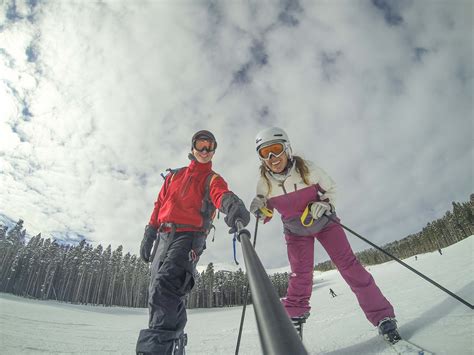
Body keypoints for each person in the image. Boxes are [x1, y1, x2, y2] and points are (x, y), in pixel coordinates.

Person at [249, 127, 400, 343]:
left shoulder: (307, 170)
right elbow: (266, 214)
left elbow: (332, 190)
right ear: (261, 158)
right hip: (295, 231)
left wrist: (324, 204)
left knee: (349, 266)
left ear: (287, 149)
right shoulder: (263, 183)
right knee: (299, 276)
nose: (272, 158)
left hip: (324, 222)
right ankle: (293, 321)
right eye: (266, 153)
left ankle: (383, 317)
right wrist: (259, 208)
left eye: (276, 149)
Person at [136, 130, 250, 355]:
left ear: (214, 150)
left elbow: (221, 195)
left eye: (210, 146)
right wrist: (149, 233)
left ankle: (156, 350)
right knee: (156, 293)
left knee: (165, 285)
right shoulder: (174, 176)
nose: (205, 151)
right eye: (201, 145)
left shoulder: (212, 179)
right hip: (164, 236)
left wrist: (232, 206)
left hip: (190, 237)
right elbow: (159, 204)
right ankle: (174, 341)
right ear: (193, 148)